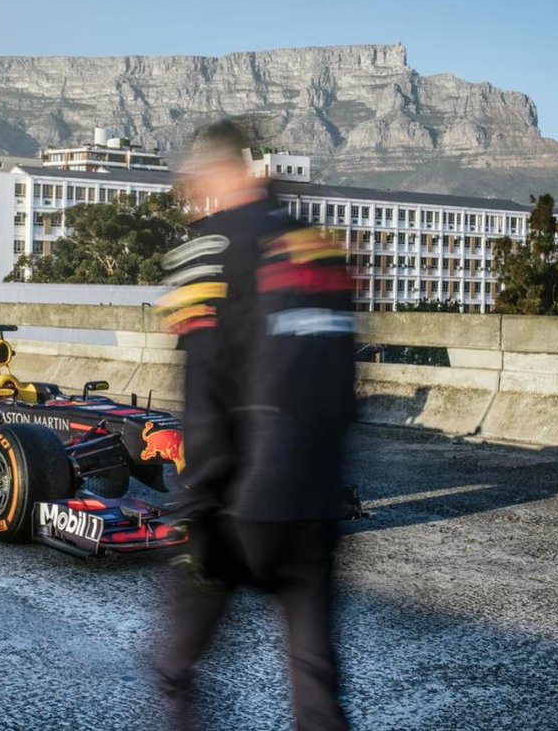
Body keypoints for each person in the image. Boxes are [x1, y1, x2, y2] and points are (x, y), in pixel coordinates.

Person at [155, 119, 357, 731]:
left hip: (240, 509)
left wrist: (196, 504)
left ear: (221, 172)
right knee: (316, 680)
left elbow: (207, 387)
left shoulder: (207, 251)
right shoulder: (321, 248)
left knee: (177, 666)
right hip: (315, 503)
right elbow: (345, 381)